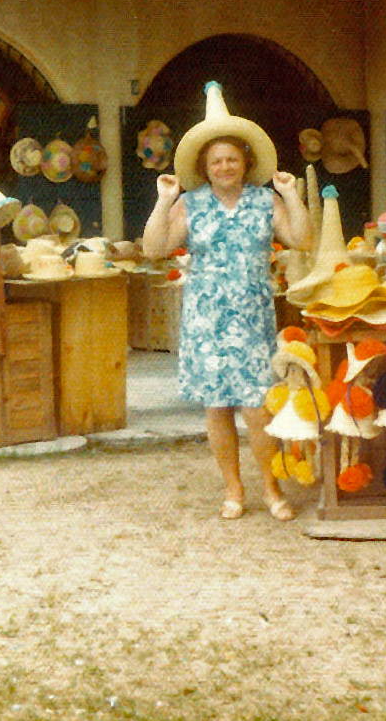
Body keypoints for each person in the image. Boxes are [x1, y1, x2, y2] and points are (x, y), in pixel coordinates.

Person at [142, 81, 312, 521]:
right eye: (216, 160)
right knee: (217, 408)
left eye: (232, 159)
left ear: (245, 162)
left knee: (258, 409)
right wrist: (163, 203)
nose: (224, 166)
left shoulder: (264, 200)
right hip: (206, 318)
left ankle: (272, 490)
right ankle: (234, 490)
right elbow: (153, 248)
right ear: (205, 165)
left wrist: (291, 193)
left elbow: (302, 237)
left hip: (253, 317)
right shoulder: (190, 205)